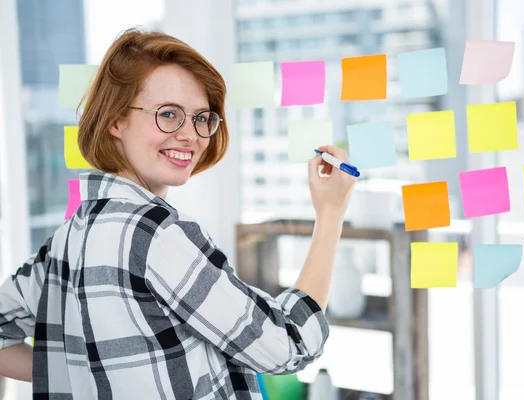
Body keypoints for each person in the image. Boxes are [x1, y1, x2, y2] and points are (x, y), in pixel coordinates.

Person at [0, 28, 357, 399]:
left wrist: (84, 374)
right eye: (168, 114)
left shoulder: (68, 239)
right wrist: (330, 213)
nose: (191, 134)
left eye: (202, 117)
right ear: (115, 120)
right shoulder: (154, 234)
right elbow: (289, 345)